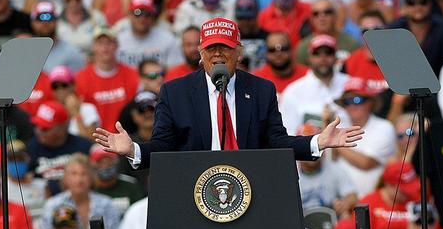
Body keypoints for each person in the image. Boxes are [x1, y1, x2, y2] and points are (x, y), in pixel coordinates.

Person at [96, 18, 362, 169]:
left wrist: (316, 142)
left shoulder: (261, 90)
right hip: (195, 188)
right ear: (200, 54)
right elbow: (165, 146)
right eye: (211, 49)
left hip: (250, 186)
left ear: (239, 53)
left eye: (224, 48)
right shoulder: (175, 92)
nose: (218, 54)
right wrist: (134, 149)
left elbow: (275, 141)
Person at [39, 155, 121, 229]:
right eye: (74, 174)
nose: (79, 180)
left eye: (84, 174)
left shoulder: (106, 204)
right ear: (65, 178)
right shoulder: (52, 205)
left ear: (91, 178)